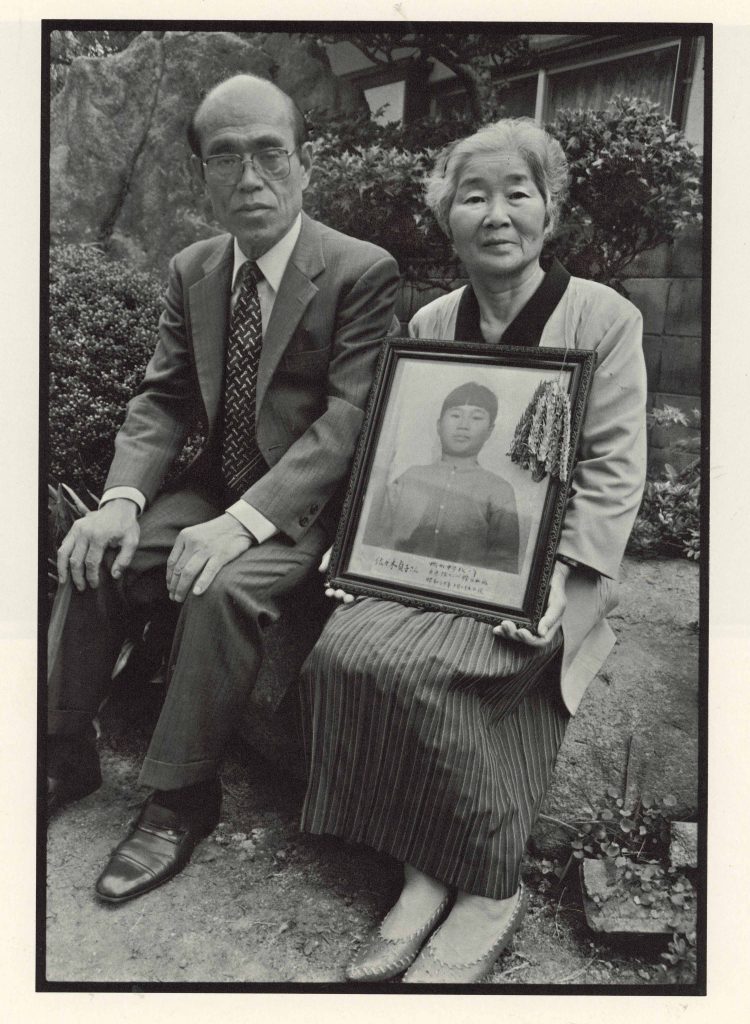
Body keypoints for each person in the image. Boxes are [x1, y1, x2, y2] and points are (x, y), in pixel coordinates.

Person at [299, 117, 647, 983]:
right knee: (346, 649)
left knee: (449, 667)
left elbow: (610, 475)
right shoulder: (429, 318)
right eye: (472, 195)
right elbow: (397, 452)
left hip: (553, 573)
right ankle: (422, 872)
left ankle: (489, 887)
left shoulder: (603, 316)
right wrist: (360, 551)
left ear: (550, 213)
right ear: (446, 217)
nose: (496, 213)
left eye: (517, 193)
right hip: (438, 560)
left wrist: (557, 585)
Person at [46, 74, 400, 904]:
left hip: (310, 508)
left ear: (305, 165)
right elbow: (164, 397)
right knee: (94, 554)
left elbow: (351, 420)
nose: (251, 180)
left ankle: (181, 798)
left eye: (271, 155)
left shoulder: (359, 270)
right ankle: (63, 751)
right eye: (226, 159)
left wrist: (243, 525)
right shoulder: (195, 266)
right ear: (202, 174)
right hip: (213, 487)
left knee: (219, 586)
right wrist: (123, 501)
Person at [363, 381, 521, 573]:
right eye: (455, 415)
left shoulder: (499, 490)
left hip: (462, 597)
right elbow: (374, 540)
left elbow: (505, 563)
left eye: (476, 418)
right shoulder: (410, 477)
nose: (463, 425)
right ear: (439, 425)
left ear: (489, 431)